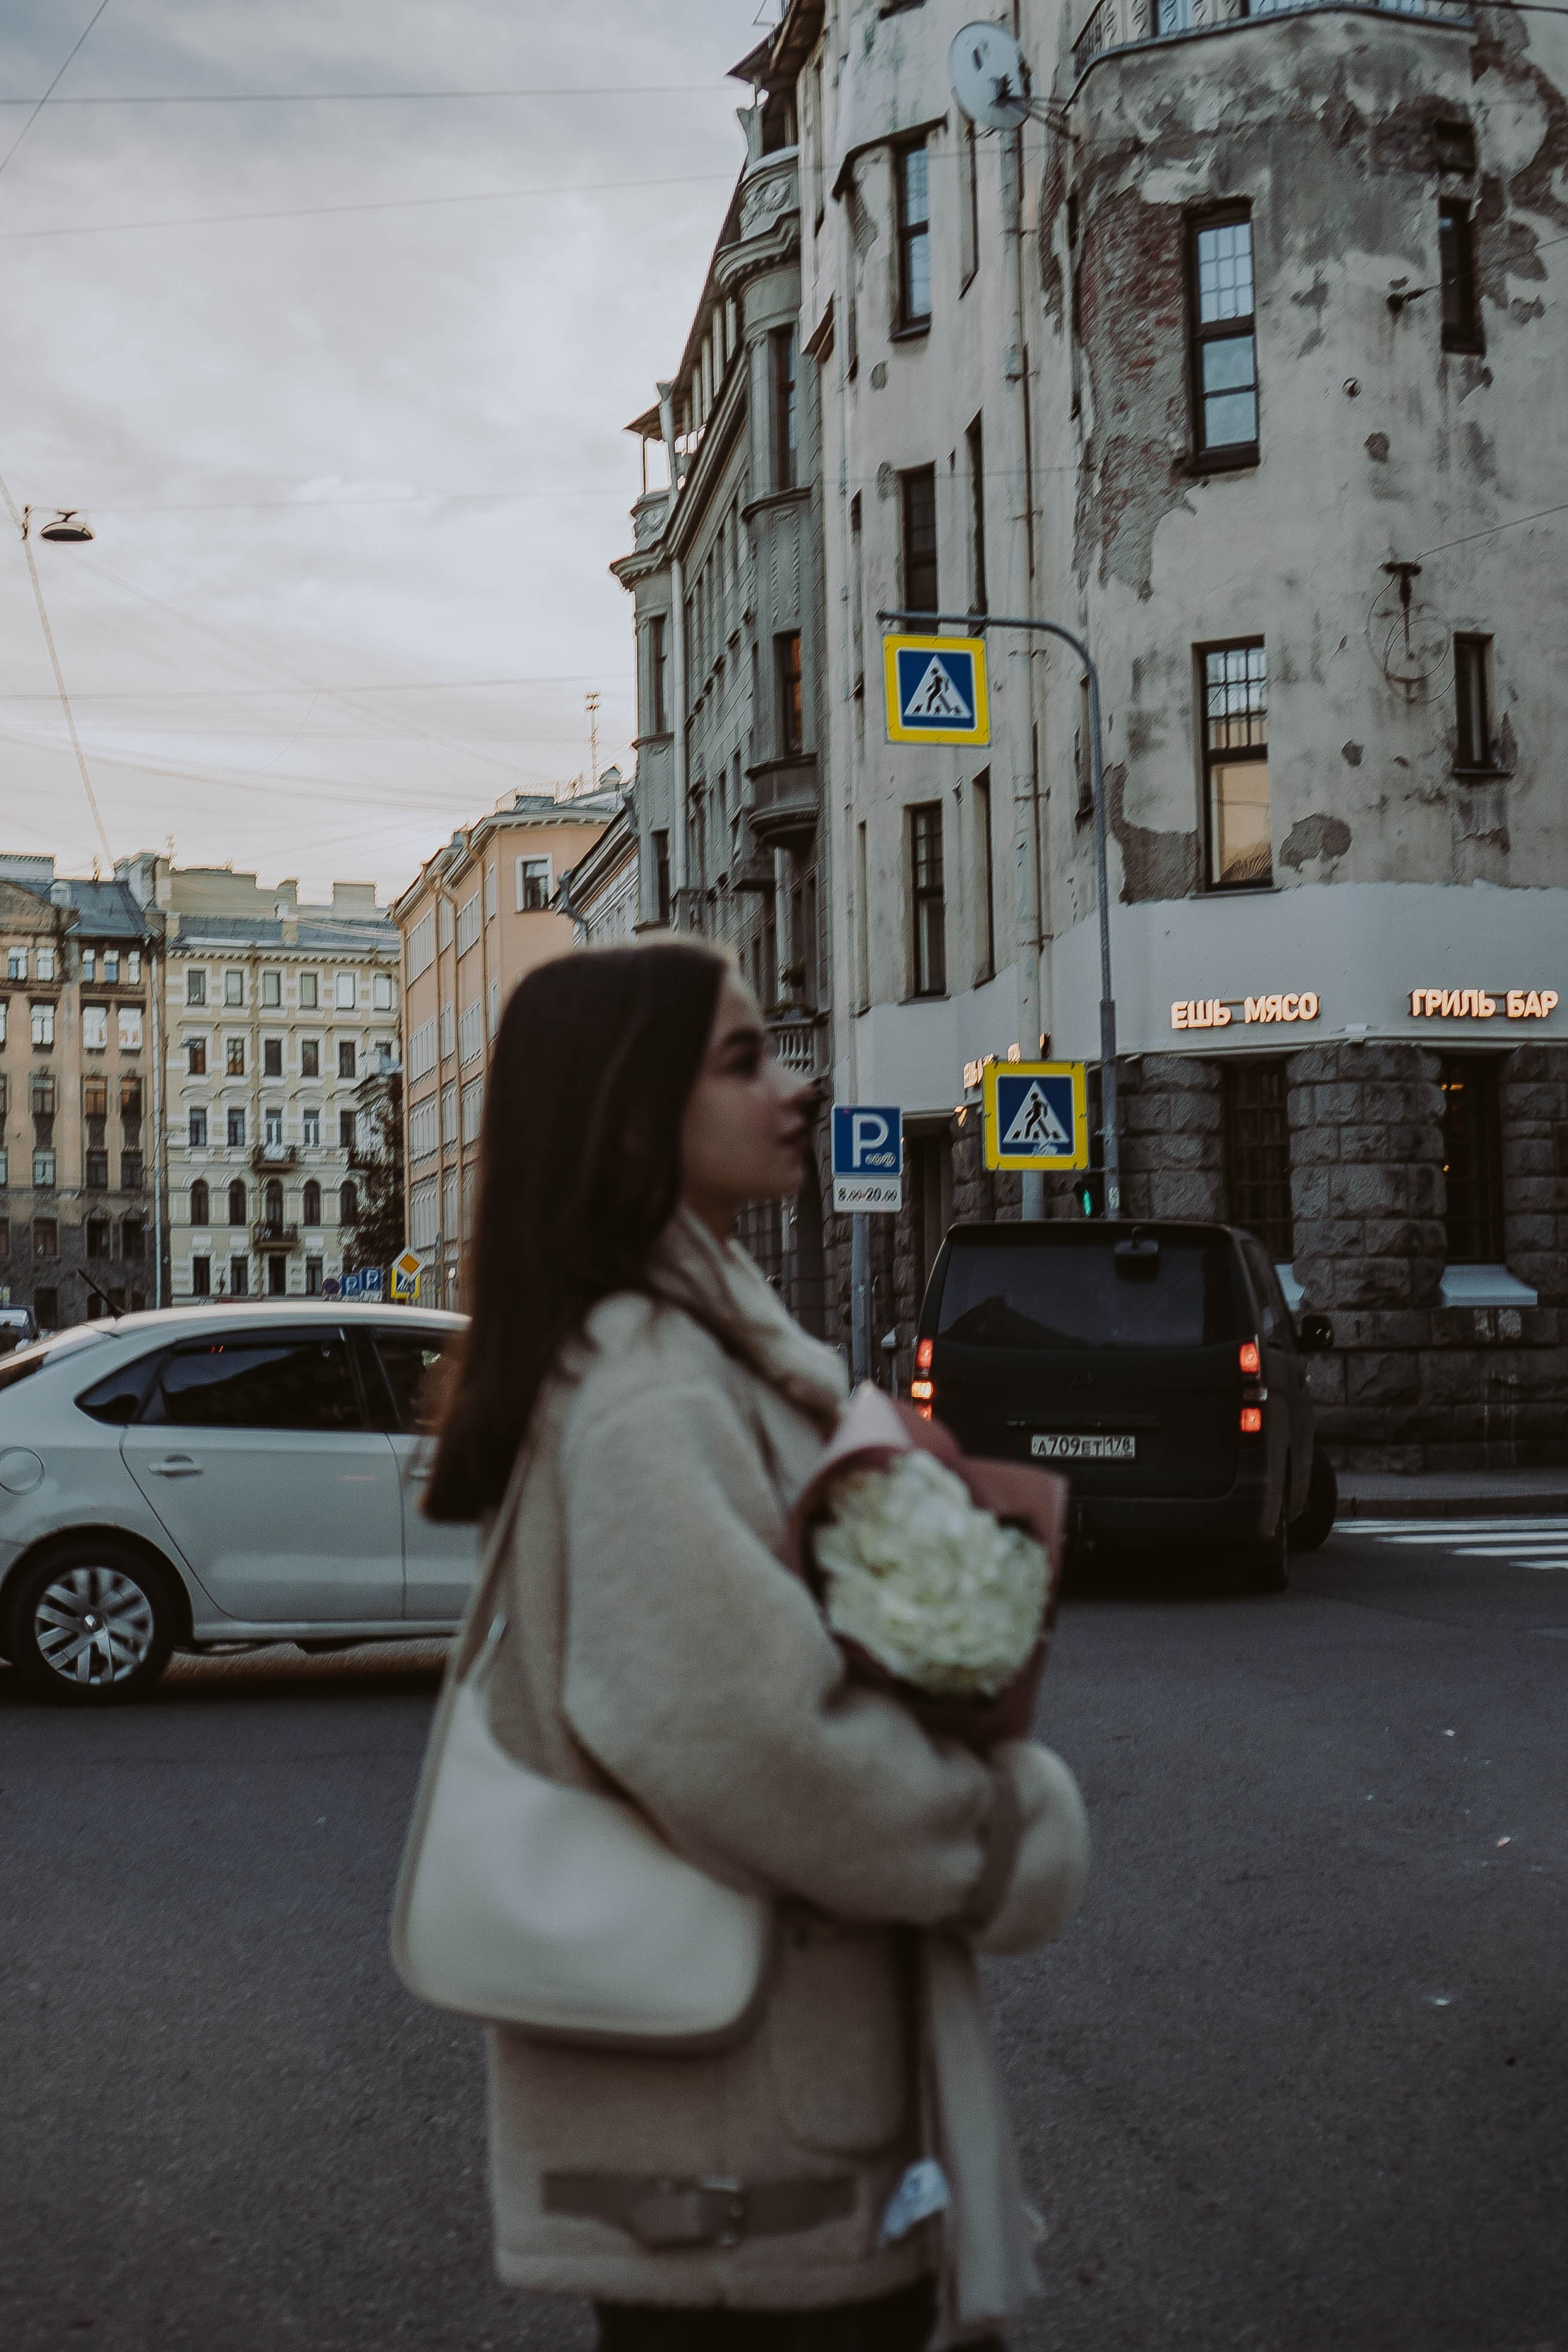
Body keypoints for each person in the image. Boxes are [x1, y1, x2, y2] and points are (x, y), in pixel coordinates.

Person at [423, 941, 1088, 2352]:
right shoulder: (644, 1385)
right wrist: (992, 1833)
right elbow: (738, 1733)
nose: (794, 1089)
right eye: (742, 1062)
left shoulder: (700, 1343)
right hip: (745, 2161)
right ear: (623, 1116)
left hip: (760, 2119)